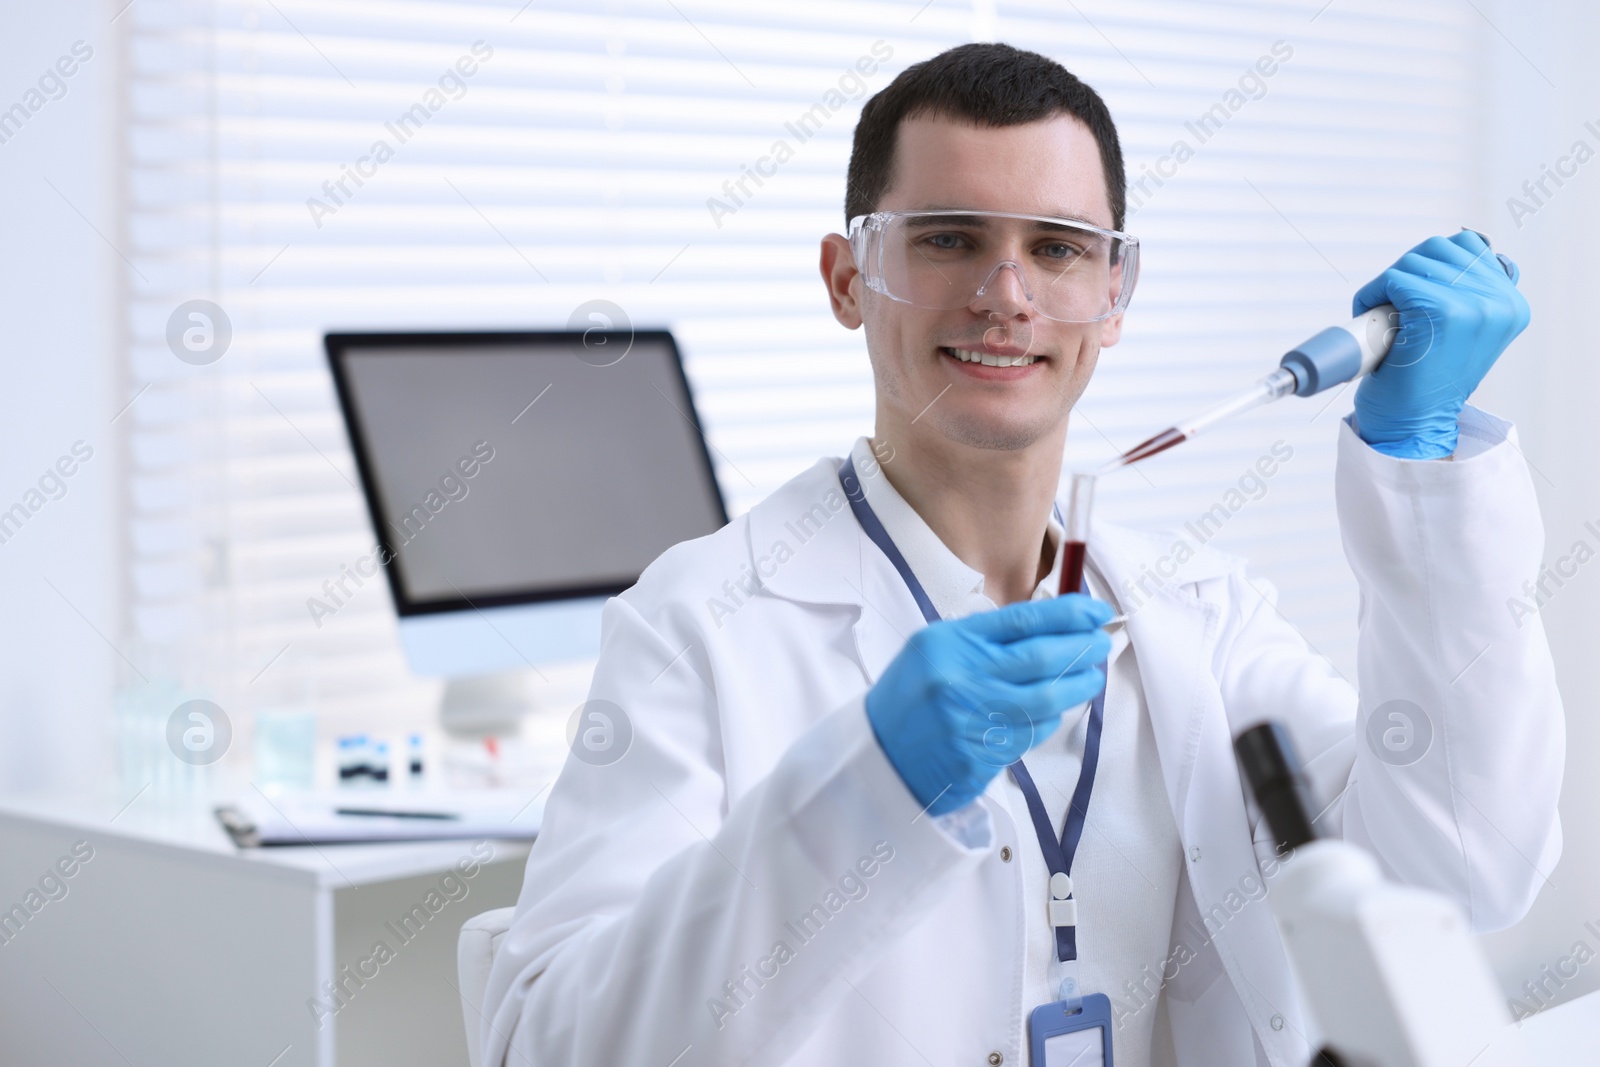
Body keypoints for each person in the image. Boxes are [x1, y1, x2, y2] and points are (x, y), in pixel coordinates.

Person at [480, 43, 1562, 1067]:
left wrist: (1421, 470)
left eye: (1056, 248)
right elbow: (555, 1044)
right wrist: (865, 789)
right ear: (847, 277)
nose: (1007, 294)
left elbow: (1465, 870)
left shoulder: (1201, 618)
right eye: (949, 237)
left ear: (1114, 294)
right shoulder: (702, 622)